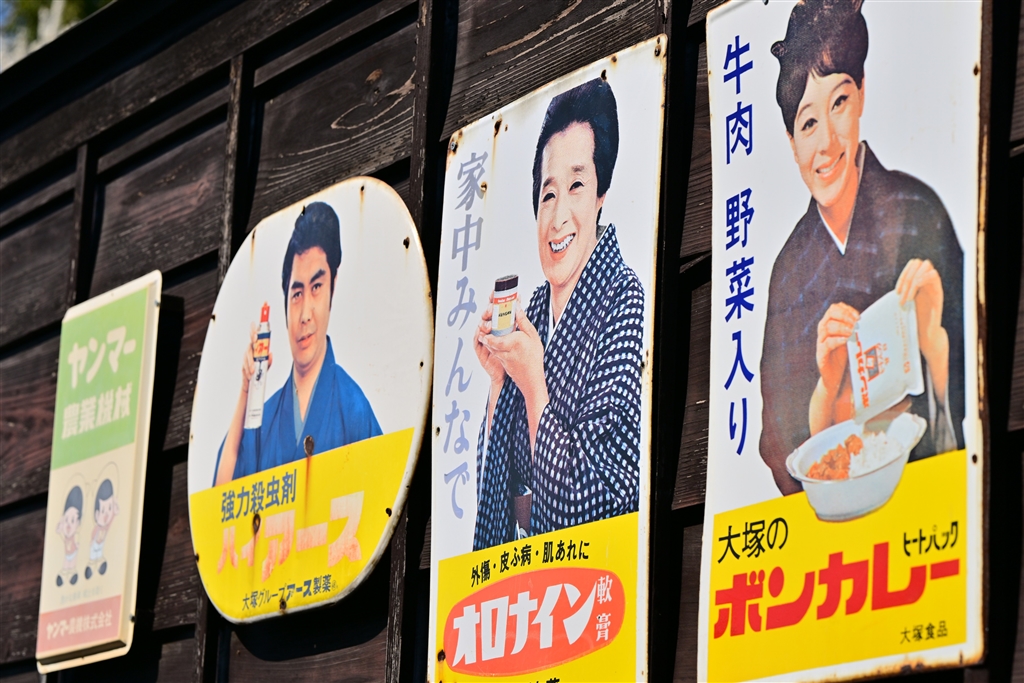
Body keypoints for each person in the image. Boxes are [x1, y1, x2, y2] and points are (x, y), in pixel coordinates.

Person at [759, 0, 964, 495]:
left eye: (839, 103)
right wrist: (827, 387)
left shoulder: (919, 212)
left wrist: (935, 346)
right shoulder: (788, 271)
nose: (826, 143)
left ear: (863, 94)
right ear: (791, 142)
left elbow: (969, 395)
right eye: (807, 123)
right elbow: (779, 442)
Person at [472, 79, 644, 550]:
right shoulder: (533, 315)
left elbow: (598, 500)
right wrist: (499, 382)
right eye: (548, 194)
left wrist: (532, 385)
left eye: (577, 186)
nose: (558, 216)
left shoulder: (624, 299)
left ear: (601, 195)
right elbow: (498, 491)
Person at [214, 202, 381, 485]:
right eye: (296, 294)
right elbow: (221, 496)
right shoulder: (264, 418)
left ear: (333, 286)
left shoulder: (352, 406)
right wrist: (246, 389)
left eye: (316, 287)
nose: (304, 315)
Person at [86, 478, 118, 579]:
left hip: (100, 547)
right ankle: (91, 567)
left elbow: (111, 521)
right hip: (95, 545)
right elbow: (93, 534)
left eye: (109, 508)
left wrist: (114, 513)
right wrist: (92, 540)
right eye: (103, 510)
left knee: (99, 556)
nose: (106, 514)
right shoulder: (98, 528)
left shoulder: (106, 527)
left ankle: (100, 565)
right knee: (92, 557)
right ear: (97, 514)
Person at [56, 486, 82, 587]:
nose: (68, 525)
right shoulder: (66, 537)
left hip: (73, 552)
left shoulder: (75, 536)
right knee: (66, 566)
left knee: (72, 566)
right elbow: (62, 539)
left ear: (78, 523)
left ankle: (72, 576)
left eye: (72, 521)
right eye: (66, 520)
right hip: (67, 554)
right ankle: (63, 577)